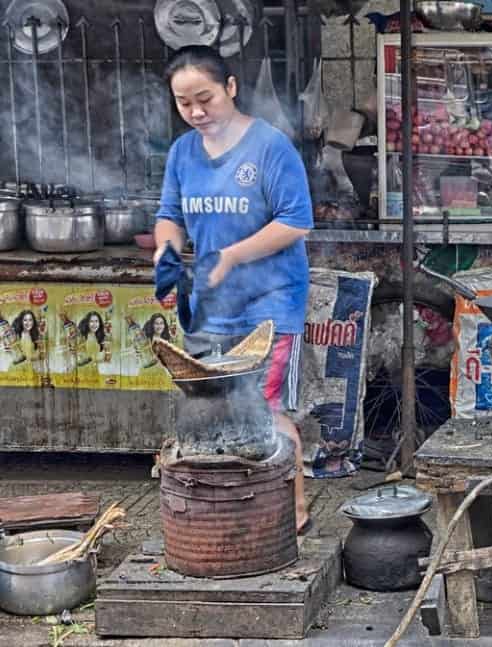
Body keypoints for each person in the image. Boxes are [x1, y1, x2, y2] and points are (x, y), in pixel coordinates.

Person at [155, 45, 312, 534]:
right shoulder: (183, 152)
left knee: (262, 408)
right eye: (184, 104)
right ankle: (240, 513)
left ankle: (297, 512)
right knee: (212, 408)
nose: (197, 112)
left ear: (231, 87)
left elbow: (296, 222)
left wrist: (231, 255)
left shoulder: (270, 147)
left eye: (205, 98)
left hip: (269, 303)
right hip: (209, 307)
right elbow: (169, 218)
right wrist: (165, 253)